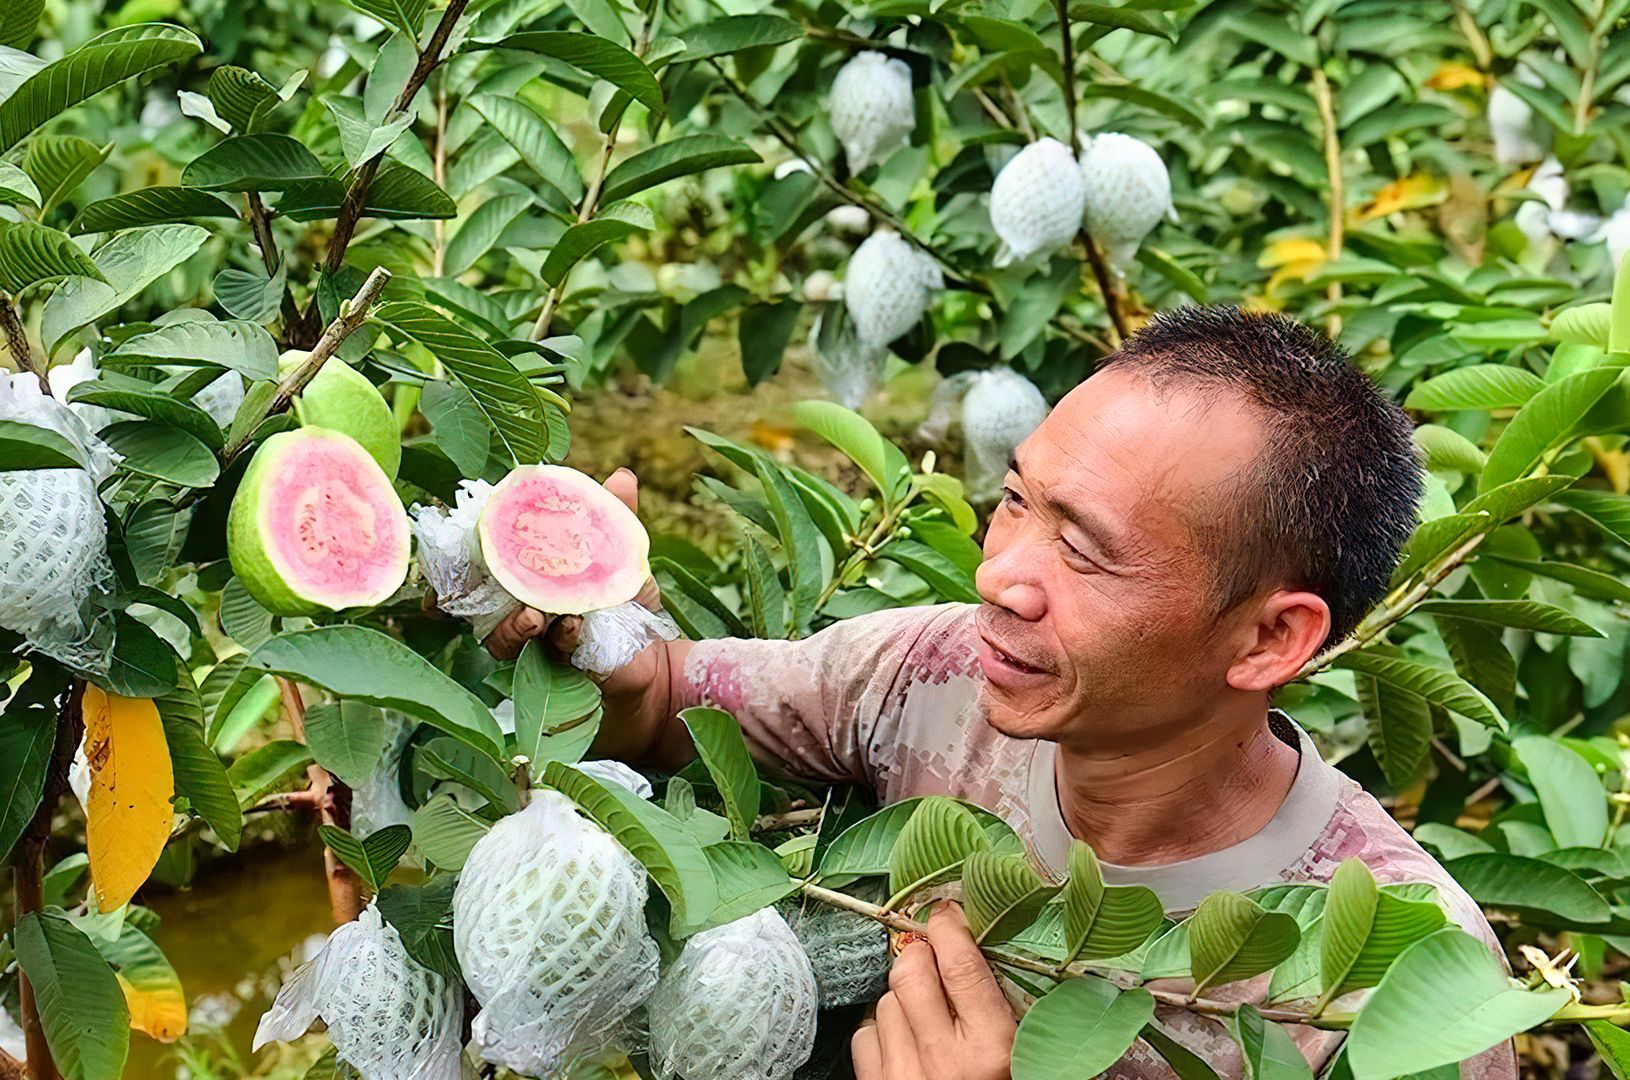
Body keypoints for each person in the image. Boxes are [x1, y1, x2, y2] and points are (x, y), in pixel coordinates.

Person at [487, 306, 1512, 1079]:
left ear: (1267, 638)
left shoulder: (1403, 976)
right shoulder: (939, 676)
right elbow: (668, 701)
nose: (999, 575)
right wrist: (607, 642)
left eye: (1084, 550)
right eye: (1016, 499)